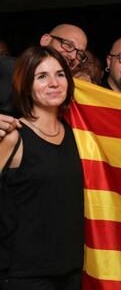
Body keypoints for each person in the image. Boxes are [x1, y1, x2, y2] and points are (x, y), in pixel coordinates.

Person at [0, 46, 84, 289]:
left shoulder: (75, 134)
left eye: (60, 74)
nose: (54, 83)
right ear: (26, 86)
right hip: (24, 276)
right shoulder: (13, 136)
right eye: (42, 76)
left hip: (70, 272)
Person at [0, 23, 88, 135]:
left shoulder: (70, 86)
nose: (73, 56)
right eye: (68, 45)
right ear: (45, 40)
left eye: (80, 54)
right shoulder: (8, 67)